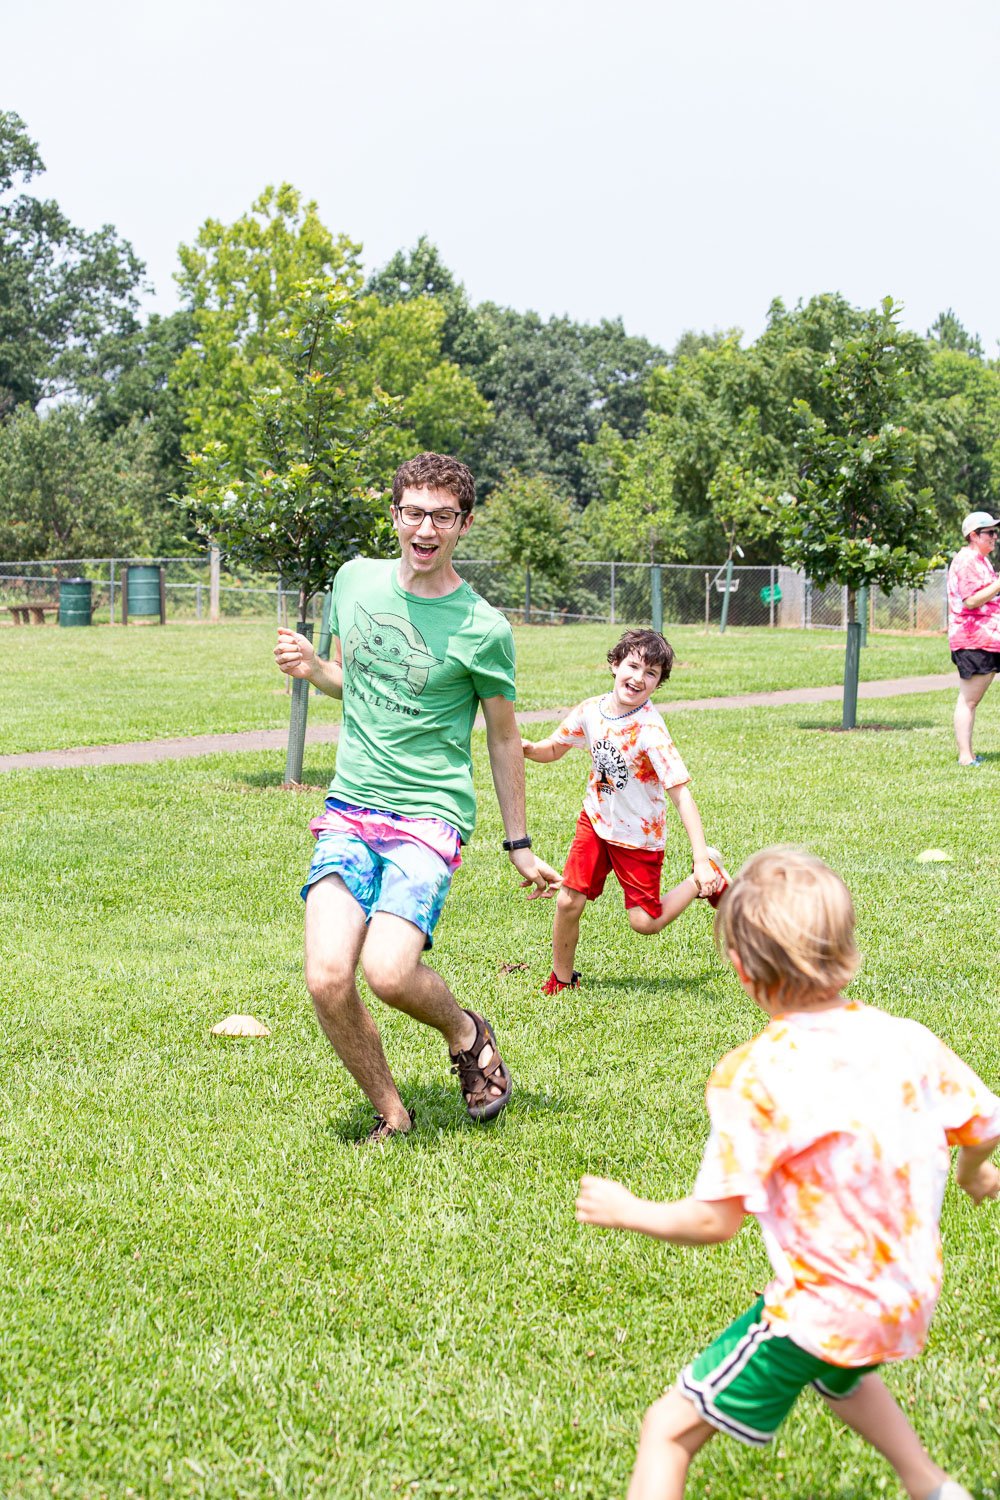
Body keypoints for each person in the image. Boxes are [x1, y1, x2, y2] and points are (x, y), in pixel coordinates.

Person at [576, 847, 1000, 1500]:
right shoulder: (907, 1038)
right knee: (840, 1374)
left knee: (666, 1431)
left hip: (826, 1304)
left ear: (743, 970)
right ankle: (931, 1486)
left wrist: (627, 1208)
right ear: (844, 946)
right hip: (907, 1293)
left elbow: (714, 1223)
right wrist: (975, 1174)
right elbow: (984, 1126)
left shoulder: (756, 1075)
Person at [274, 452, 561, 1143]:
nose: (425, 529)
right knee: (326, 978)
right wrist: (317, 669)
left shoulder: (482, 627)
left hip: (427, 818)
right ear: (395, 515)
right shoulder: (354, 581)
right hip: (350, 808)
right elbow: (367, 682)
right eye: (413, 513)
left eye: (442, 516)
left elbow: (500, 735)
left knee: (390, 971)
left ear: (463, 524)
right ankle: (392, 1113)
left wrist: (518, 843)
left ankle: (466, 1032)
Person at [521, 629, 727, 995]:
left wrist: (698, 859)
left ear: (658, 683)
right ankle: (561, 980)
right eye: (632, 665)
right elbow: (554, 748)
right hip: (596, 822)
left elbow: (681, 794)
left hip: (639, 835)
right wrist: (526, 748)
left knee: (644, 923)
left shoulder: (650, 729)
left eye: (651, 673)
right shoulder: (591, 711)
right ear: (615, 665)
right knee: (569, 899)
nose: (638, 678)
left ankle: (704, 878)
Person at [947, 509, 1000, 766]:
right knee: (969, 700)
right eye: (990, 532)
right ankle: (965, 757)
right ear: (973, 535)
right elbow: (970, 601)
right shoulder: (966, 560)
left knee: (972, 699)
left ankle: (967, 754)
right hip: (972, 640)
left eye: (995, 532)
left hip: (988, 639)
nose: (995, 537)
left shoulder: (982, 561)